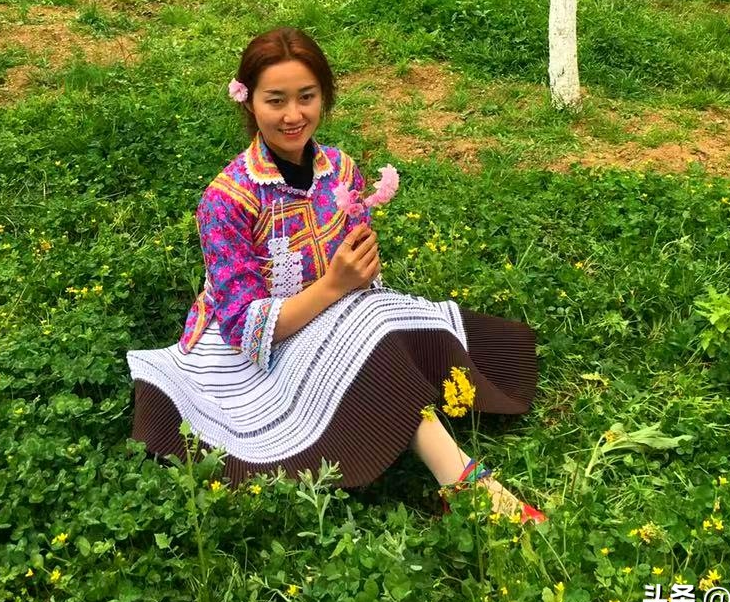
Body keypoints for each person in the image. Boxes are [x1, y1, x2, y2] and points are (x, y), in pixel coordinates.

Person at [126, 26, 546, 522]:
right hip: (263, 348)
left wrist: (358, 275)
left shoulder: (342, 171)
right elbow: (243, 329)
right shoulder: (227, 199)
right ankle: (470, 485)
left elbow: (363, 269)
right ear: (249, 103)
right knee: (374, 336)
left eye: (306, 97)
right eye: (275, 100)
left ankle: (438, 450)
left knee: (386, 325)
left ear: (325, 96)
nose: (292, 115)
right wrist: (335, 286)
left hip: (342, 310)